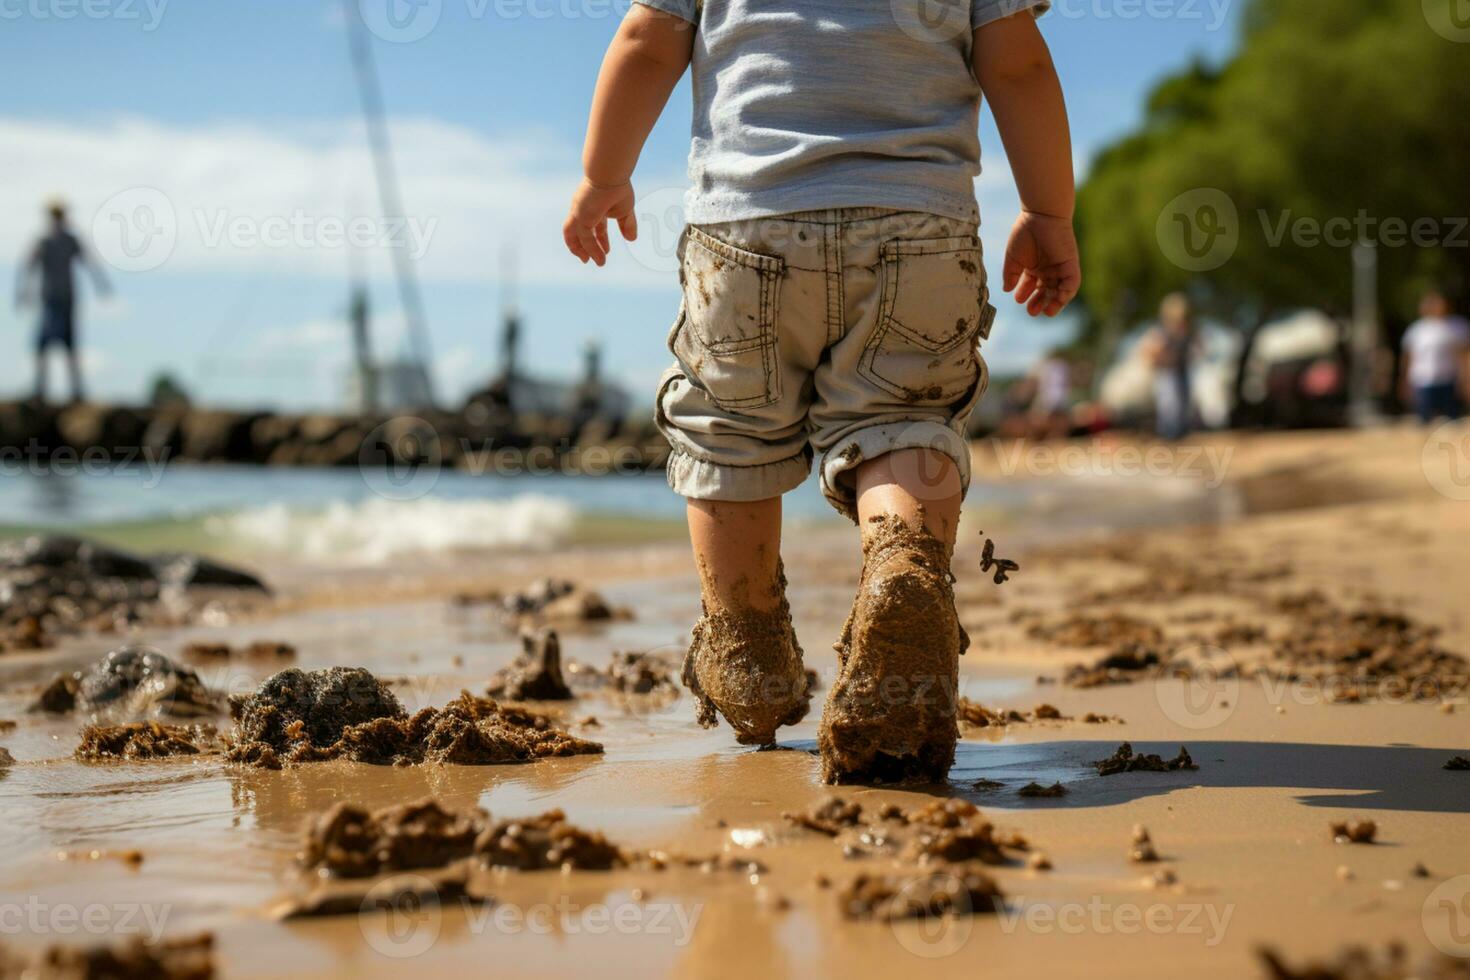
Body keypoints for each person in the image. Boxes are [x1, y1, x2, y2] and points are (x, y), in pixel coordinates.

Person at [563, 0, 1076, 784]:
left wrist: (605, 175)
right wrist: (1048, 211)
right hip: (918, 230)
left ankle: (747, 644)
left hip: (745, 231)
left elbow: (646, 39)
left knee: (728, 431)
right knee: (905, 423)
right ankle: (903, 563)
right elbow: (1020, 65)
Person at [14, 200, 110, 404]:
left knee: (70, 345)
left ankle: (76, 391)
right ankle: (40, 389)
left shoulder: (70, 240)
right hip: (49, 299)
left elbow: (89, 262)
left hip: (67, 299)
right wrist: (23, 291)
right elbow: (29, 265)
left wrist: (101, 285)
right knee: (42, 344)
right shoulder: (44, 240)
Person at [1400, 291, 1469, 424]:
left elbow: (1464, 356)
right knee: (1424, 420)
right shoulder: (1416, 329)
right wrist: (1404, 380)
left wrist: (1465, 379)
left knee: (1453, 420)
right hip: (1422, 379)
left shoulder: (1458, 326)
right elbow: (1408, 357)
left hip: (1449, 379)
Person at [1142, 292, 1198, 440]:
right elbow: (1149, 351)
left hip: (1181, 371)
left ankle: (1179, 432)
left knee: (1182, 403)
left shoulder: (1185, 331)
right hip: (1167, 373)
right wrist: (1164, 356)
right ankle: (1169, 433)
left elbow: (1196, 348)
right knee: (1169, 405)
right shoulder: (1161, 331)